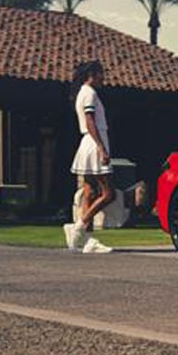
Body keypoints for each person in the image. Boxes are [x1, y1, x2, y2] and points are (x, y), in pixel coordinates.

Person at [63, 60, 115, 253]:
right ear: (92, 74)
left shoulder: (84, 93)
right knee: (109, 194)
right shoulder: (90, 93)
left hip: (89, 142)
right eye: (101, 73)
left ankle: (87, 240)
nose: (104, 78)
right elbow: (90, 120)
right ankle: (78, 227)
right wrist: (101, 147)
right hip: (94, 143)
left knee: (90, 192)